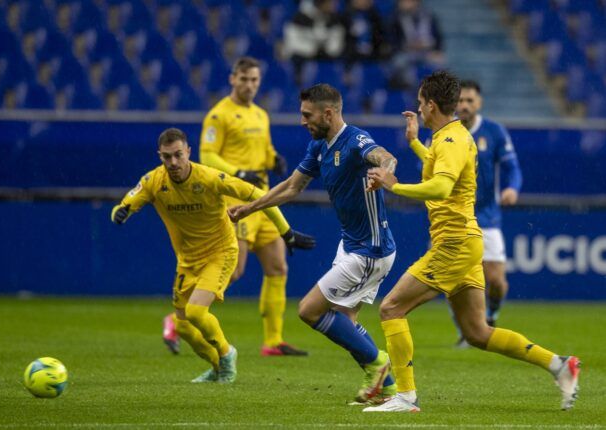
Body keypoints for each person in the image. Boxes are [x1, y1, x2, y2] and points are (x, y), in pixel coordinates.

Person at [363, 70, 581, 412]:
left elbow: (440, 187)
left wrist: (394, 185)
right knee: (478, 332)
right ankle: (559, 365)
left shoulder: (450, 141)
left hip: (454, 245)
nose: (418, 109)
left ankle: (405, 396)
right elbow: (442, 169)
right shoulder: (453, 136)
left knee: (392, 308)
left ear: (432, 105)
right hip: (466, 242)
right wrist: (415, 143)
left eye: (421, 103)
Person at [228, 83, 399, 405]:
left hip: (370, 251)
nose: (303, 121)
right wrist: (250, 208)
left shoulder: (354, 140)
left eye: (307, 115)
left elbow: (384, 156)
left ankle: (378, 362)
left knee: (309, 310)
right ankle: (386, 387)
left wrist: (384, 173)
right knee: (345, 324)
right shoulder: (320, 147)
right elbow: (292, 187)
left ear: (329, 113)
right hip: (351, 245)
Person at [113, 128, 315, 383]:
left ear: (188, 152)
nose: (173, 162)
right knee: (184, 325)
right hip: (187, 260)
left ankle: (227, 354)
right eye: (167, 157)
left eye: (178, 155)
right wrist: (122, 212)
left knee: (196, 312)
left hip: (221, 252)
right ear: (160, 156)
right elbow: (125, 204)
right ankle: (217, 366)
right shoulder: (154, 181)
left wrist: (286, 232)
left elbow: (256, 194)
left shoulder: (209, 178)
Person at [168, 56, 308, 357]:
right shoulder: (219, 115)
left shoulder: (260, 115)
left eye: (255, 80)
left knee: (277, 267)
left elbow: (264, 147)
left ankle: (273, 341)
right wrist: (237, 171)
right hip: (235, 201)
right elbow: (206, 155)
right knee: (234, 271)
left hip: (264, 198)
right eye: (244, 79)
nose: (249, 85)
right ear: (233, 79)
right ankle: (176, 317)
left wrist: (273, 158)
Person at [454, 79, 522, 347]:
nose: (464, 105)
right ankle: (466, 330)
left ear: (479, 103)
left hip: (488, 217)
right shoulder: (445, 132)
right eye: (460, 100)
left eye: (470, 101)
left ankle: (490, 316)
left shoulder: (494, 132)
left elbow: (513, 168)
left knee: (495, 281)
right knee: (457, 281)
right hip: (454, 218)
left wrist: (512, 189)